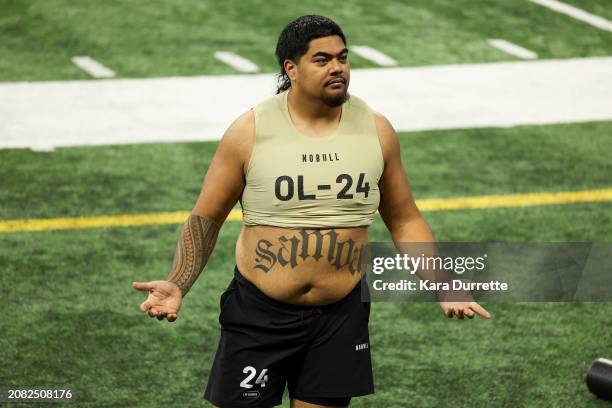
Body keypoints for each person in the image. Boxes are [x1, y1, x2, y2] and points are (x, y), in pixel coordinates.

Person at [132, 15, 491, 408]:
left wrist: (441, 282)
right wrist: (178, 282)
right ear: (292, 69)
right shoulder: (249, 131)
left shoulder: (376, 130)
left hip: (340, 316)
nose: (337, 67)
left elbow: (404, 217)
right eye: (322, 60)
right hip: (259, 316)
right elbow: (206, 219)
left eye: (342, 57)